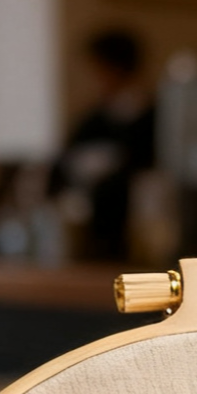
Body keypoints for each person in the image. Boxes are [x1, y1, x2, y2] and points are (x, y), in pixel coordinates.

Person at [50, 27, 155, 262]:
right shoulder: (92, 119)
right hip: (86, 235)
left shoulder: (153, 118)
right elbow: (61, 166)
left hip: (134, 235)